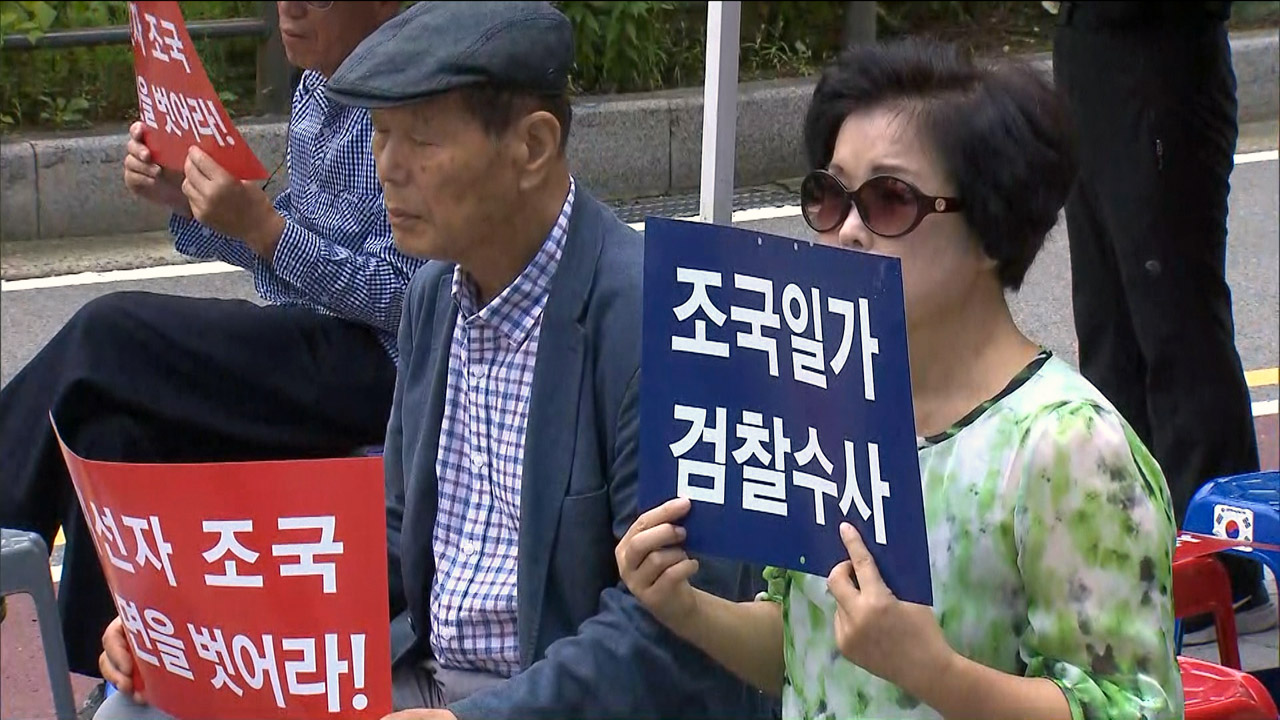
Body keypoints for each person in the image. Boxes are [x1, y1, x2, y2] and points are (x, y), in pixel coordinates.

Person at [94, 3, 773, 720]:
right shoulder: (435, 295)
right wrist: (195, 626)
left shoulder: (662, 328)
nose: (388, 168)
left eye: (420, 140)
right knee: (142, 708)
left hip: (553, 697)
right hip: (426, 671)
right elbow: (392, 538)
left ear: (533, 146)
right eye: (380, 134)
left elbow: (670, 635)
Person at [617, 39, 1184, 719]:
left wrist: (932, 671)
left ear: (992, 229)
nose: (849, 230)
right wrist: (685, 608)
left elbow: (1132, 707)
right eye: (829, 197)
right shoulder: (826, 403)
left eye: (890, 200)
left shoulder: (1067, 446)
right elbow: (808, 648)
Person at [0, 0, 418, 695]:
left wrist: (266, 229)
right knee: (110, 432)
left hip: (383, 368)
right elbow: (288, 260)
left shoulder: (416, 101)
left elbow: (411, 295)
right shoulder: (318, 89)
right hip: (306, 340)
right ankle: (86, 679)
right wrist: (192, 202)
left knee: (109, 337)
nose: (289, 8)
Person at [1049, 1, 1273, 639]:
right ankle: (1134, 554)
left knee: (1175, 326)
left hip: (1158, 52)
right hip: (1087, 48)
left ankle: (1222, 574)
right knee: (1108, 332)